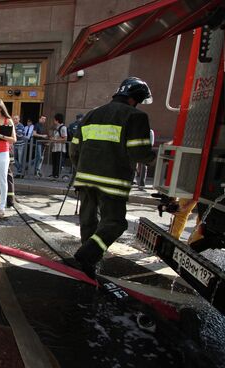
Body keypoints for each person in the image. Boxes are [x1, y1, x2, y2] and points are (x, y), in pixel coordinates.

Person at [70, 77, 156, 279]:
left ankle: (88, 265)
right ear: (135, 99)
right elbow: (138, 153)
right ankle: (87, 254)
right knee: (115, 223)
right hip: (113, 181)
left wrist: (81, 170)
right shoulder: (136, 116)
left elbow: (74, 149)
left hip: (84, 178)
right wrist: (157, 159)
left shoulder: (91, 114)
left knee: (88, 222)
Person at [49, 113, 68, 179]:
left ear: (57, 120)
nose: (53, 121)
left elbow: (65, 138)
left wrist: (55, 139)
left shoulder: (63, 128)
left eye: (54, 120)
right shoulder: (56, 128)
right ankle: (54, 174)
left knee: (58, 163)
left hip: (60, 149)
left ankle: (56, 176)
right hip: (55, 148)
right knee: (54, 162)